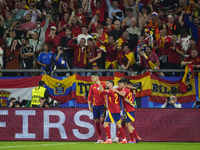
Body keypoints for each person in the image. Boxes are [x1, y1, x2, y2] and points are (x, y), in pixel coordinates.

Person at [97, 80, 127, 144]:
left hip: (112, 110)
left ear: (111, 84)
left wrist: (99, 84)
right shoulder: (117, 91)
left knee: (105, 124)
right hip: (117, 110)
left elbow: (102, 91)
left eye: (107, 83)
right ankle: (124, 139)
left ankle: (109, 139)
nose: (106, 84)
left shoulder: (110, 91)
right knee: (119, 125)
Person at [113, 79, 140, 144]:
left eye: (119, 84)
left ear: (123, 84)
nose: (118, 86)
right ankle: (137, 137)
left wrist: (115, 90)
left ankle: (132, 140)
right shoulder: (127, 89)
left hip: (128, 109)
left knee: (128, 124)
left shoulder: (125, 90)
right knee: (125, 124)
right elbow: (134, 92)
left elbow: (123, 96)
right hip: (127, 109)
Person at [87, 73, 106, 143]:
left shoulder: (104, 84)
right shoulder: (92, 86)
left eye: (92, 77)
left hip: (102, 105)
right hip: (95, 106)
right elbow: (89, 97)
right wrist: (89, 106)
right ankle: (100, 138)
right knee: (97, 122)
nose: (91, 79)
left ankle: (108, 137)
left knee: (103, 121)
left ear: (97, 77)